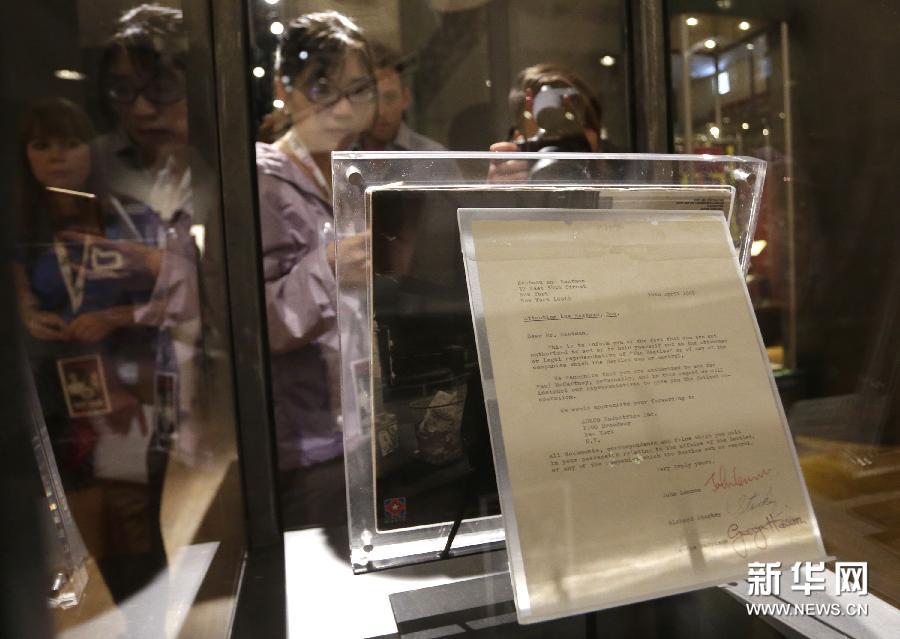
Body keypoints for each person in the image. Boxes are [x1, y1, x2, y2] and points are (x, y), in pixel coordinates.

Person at [14, 96, 178, 606]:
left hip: (134, 383)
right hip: (65, 397)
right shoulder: (25, 226)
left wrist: (115, 316)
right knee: (95, 527)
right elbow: (19, 290)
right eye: (42, 145)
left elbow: (182, 293)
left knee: (134, 521)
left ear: (92, 149)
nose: (56, 156)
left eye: (70, 143)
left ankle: (152, 624)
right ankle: (135, 619)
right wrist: (27, 312)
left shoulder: (129, 216)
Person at [256, 11, 375, 526]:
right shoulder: (260, 181)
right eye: (323, 90)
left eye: (358, 90)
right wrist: (329, 268)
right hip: (305, 442)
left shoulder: (362, 169)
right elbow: (254, 325)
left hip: (370, 423)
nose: (343, 109)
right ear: (284, 91)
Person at [488, 63, 607, 181]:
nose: (560, 135)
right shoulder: (514, 166)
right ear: (518, 139)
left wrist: (605, 177)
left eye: (573, 124)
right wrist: (499, 187)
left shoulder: (617, 178)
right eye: (544, 122)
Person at [360, 42, 447, 152]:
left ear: (406, 98)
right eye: (372, 99)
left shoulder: (433, 156)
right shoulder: (342, 153)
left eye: (389, 98)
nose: (381, 112)